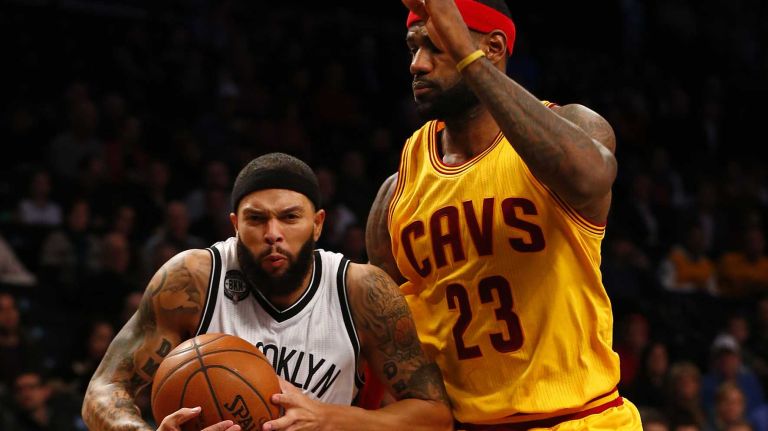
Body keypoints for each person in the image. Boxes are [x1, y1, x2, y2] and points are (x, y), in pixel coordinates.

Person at [365, 0, 642, 428]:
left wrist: (466, 55)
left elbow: (591, 177)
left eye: (435, 46)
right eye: (412, 47)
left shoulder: (576, 129)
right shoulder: (398, 188)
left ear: (493, 47)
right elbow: (382, 329)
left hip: (580, 417)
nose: (417, 64)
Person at [82, 153, 452, 431]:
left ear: (318, 224)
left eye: (290, 217)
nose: (273, 233)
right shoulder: (192, 280)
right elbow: (104, 388)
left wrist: (326, 417)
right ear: (235, 225)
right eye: (256, 219)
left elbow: (434, 415)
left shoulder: (360, 289)